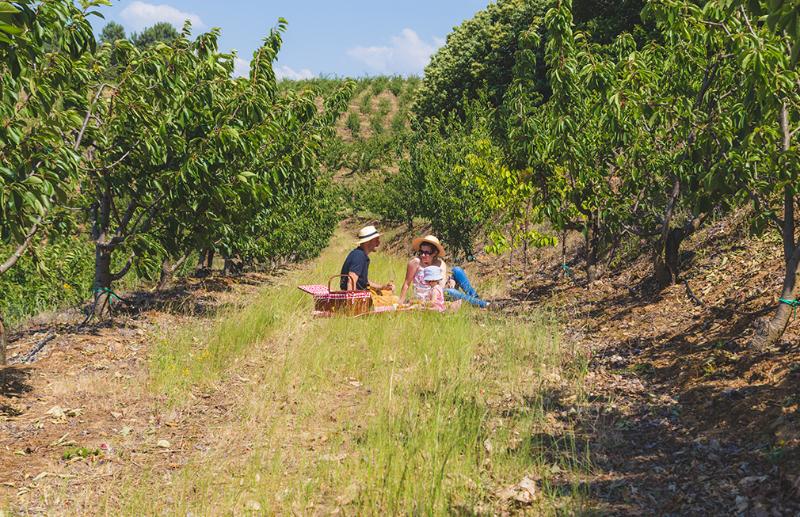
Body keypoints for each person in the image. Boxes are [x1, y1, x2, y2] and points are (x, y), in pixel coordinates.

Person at [399, 234, 489, 309]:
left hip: (438, 292)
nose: (423, 255)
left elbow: (441, 285)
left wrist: (450, 282)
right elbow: (406, 283)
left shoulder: (440, 264)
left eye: (427, 252)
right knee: (450, 292)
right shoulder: (415, 263)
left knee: (457, 270)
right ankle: (484, 304)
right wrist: (400, 303)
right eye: (421, 252)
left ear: (434, 253)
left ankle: (476, 299)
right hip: (428, 296)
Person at [340, 225, 395, 294]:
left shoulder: (360, 254)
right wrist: (352, 301)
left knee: (386, 293)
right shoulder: (359, 256)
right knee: (392, 299)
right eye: (376, 240)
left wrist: (382, 287)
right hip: (359, 297)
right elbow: (351, 280)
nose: (379, 243)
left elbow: (364, 281)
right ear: (368, 242)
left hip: (361, 294)